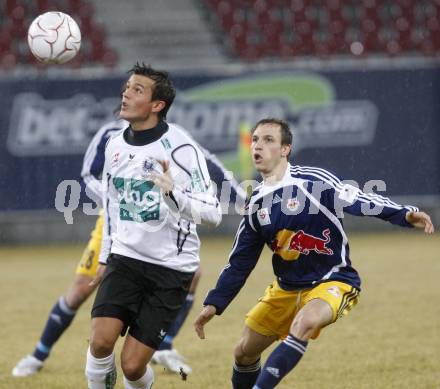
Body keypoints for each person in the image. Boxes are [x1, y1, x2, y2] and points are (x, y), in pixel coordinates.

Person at [194, 118, 434, 389]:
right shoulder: (256, 203)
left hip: (332, 281)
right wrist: (214, 303)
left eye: (269, 140)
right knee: (244, 352)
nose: (258, 146)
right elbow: (240, 262)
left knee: (305, 323)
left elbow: (360, 199)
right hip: (285, 289)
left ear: (286, 149)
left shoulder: (314, 182)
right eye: (256, 140)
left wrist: (404, 214)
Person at [12, 104, 245, 378]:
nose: (128, 98)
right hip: (116, 226)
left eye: (137, 91)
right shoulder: (110, 136)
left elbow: (208, 160)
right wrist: (117, 200)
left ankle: (163, 346)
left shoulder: (172, 138)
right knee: (80, 290)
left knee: (193, 274)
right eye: (129, 90)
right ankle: (38, 354)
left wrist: (242, 196)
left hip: (160, 227)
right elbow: (88, 175)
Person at [84, 62, 224, 389]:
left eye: (137, 89)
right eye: (126, 87)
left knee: (132, 367)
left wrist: (173, 193)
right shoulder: (115, 144)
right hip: (125, 259)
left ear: (157, 105)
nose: (125, 93)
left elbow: (213, 213)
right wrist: (106, 257)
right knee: (101, 342)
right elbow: (112, 206)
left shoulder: (182, 149)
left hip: (171, 269)